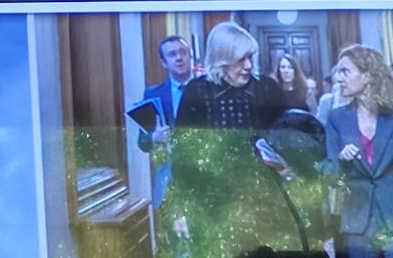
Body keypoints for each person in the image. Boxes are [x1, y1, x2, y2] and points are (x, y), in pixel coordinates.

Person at [166, 21, 294, 258]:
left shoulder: (266, 88)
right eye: (240, 59)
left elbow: (291, 138)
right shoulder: (196, 91)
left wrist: (289, 165)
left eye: (250, 58)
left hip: (265, 203)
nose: (248, 66)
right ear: (222, 58)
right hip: (212, 206)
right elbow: (183, 155)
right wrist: (180, 209)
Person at [324, 44, 393, 257]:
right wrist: (342, 161)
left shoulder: (391, 116)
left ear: (367, 75)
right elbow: (329, 171)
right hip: (357, 221)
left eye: (345, 71)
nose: (338, 78)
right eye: (338, 72)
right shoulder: (336, 118)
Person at [138, 35, 195, 205]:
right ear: (164, 62)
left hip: (203, 176)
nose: (179, 58)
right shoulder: (153, 95)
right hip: (169, 177)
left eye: (183, 52)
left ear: (190, 56)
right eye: (172, 54)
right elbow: (142, 142)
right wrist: (155, 138)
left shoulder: (208, 89)